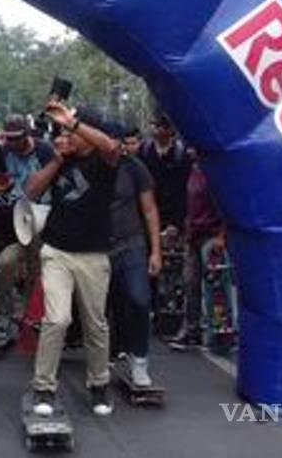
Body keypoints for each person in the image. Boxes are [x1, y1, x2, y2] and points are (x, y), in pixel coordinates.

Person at [26, 102, 121, 418]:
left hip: (93, 255)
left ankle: (99, 383)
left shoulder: (104, 161)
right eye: (64, 131)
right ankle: (44, 385)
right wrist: (56, 161)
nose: (65, 136)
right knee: (57, 319)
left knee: (96, 324)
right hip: (56, 252)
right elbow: (31, 192)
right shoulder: (59, 161)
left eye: (70, 131)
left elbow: (110, 146)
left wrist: (74, 122)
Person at [0, 115, 56, 336]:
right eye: (7, 139)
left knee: (35, 270)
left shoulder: (44, 151)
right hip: (15, 222)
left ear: (26, 135)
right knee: (4, 264)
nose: (11, 144)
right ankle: (4, 315)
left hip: (41, 220)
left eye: (16, 139)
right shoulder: (4, 153)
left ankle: (31, 315)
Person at [108, 126, 162, 386]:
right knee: (103, 307)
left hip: (132, 243)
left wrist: (156, 251)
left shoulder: (135, 168)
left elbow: (150, 210)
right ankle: (106, 356)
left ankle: (139, 360)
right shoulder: (90, 165)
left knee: (139, 299)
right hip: (98, 246)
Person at [170, 151, 225, 350]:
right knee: (189, 283)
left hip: (211, 233)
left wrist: (221, 236)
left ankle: (216, 332)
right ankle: (192, 328)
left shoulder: (217, 172)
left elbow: (227, 206)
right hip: (193, 233)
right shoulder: (193, 170)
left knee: (213, 287)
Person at [138, 115, 192, 232]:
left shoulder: (181, 153)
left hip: (174, 210)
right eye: (156, 126)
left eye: (162, 126)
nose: (158, 130)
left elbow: (183, 187)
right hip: (151, 208)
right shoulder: (145, 150)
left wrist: (177, 221)